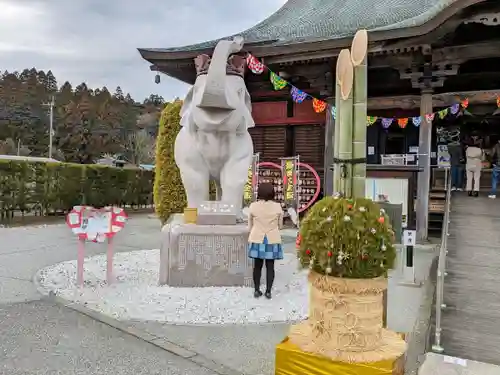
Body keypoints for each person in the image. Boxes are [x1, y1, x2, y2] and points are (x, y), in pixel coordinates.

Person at [248, 182, 283, 299]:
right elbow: (281, 225)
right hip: (272, 239)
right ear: (272, 192)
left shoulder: (253, 206)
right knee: (270, 266)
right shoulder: (278, 206)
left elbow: (250, 225)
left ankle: (257, 290)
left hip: (257, 238)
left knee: (257, 266)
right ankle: (268, 291)